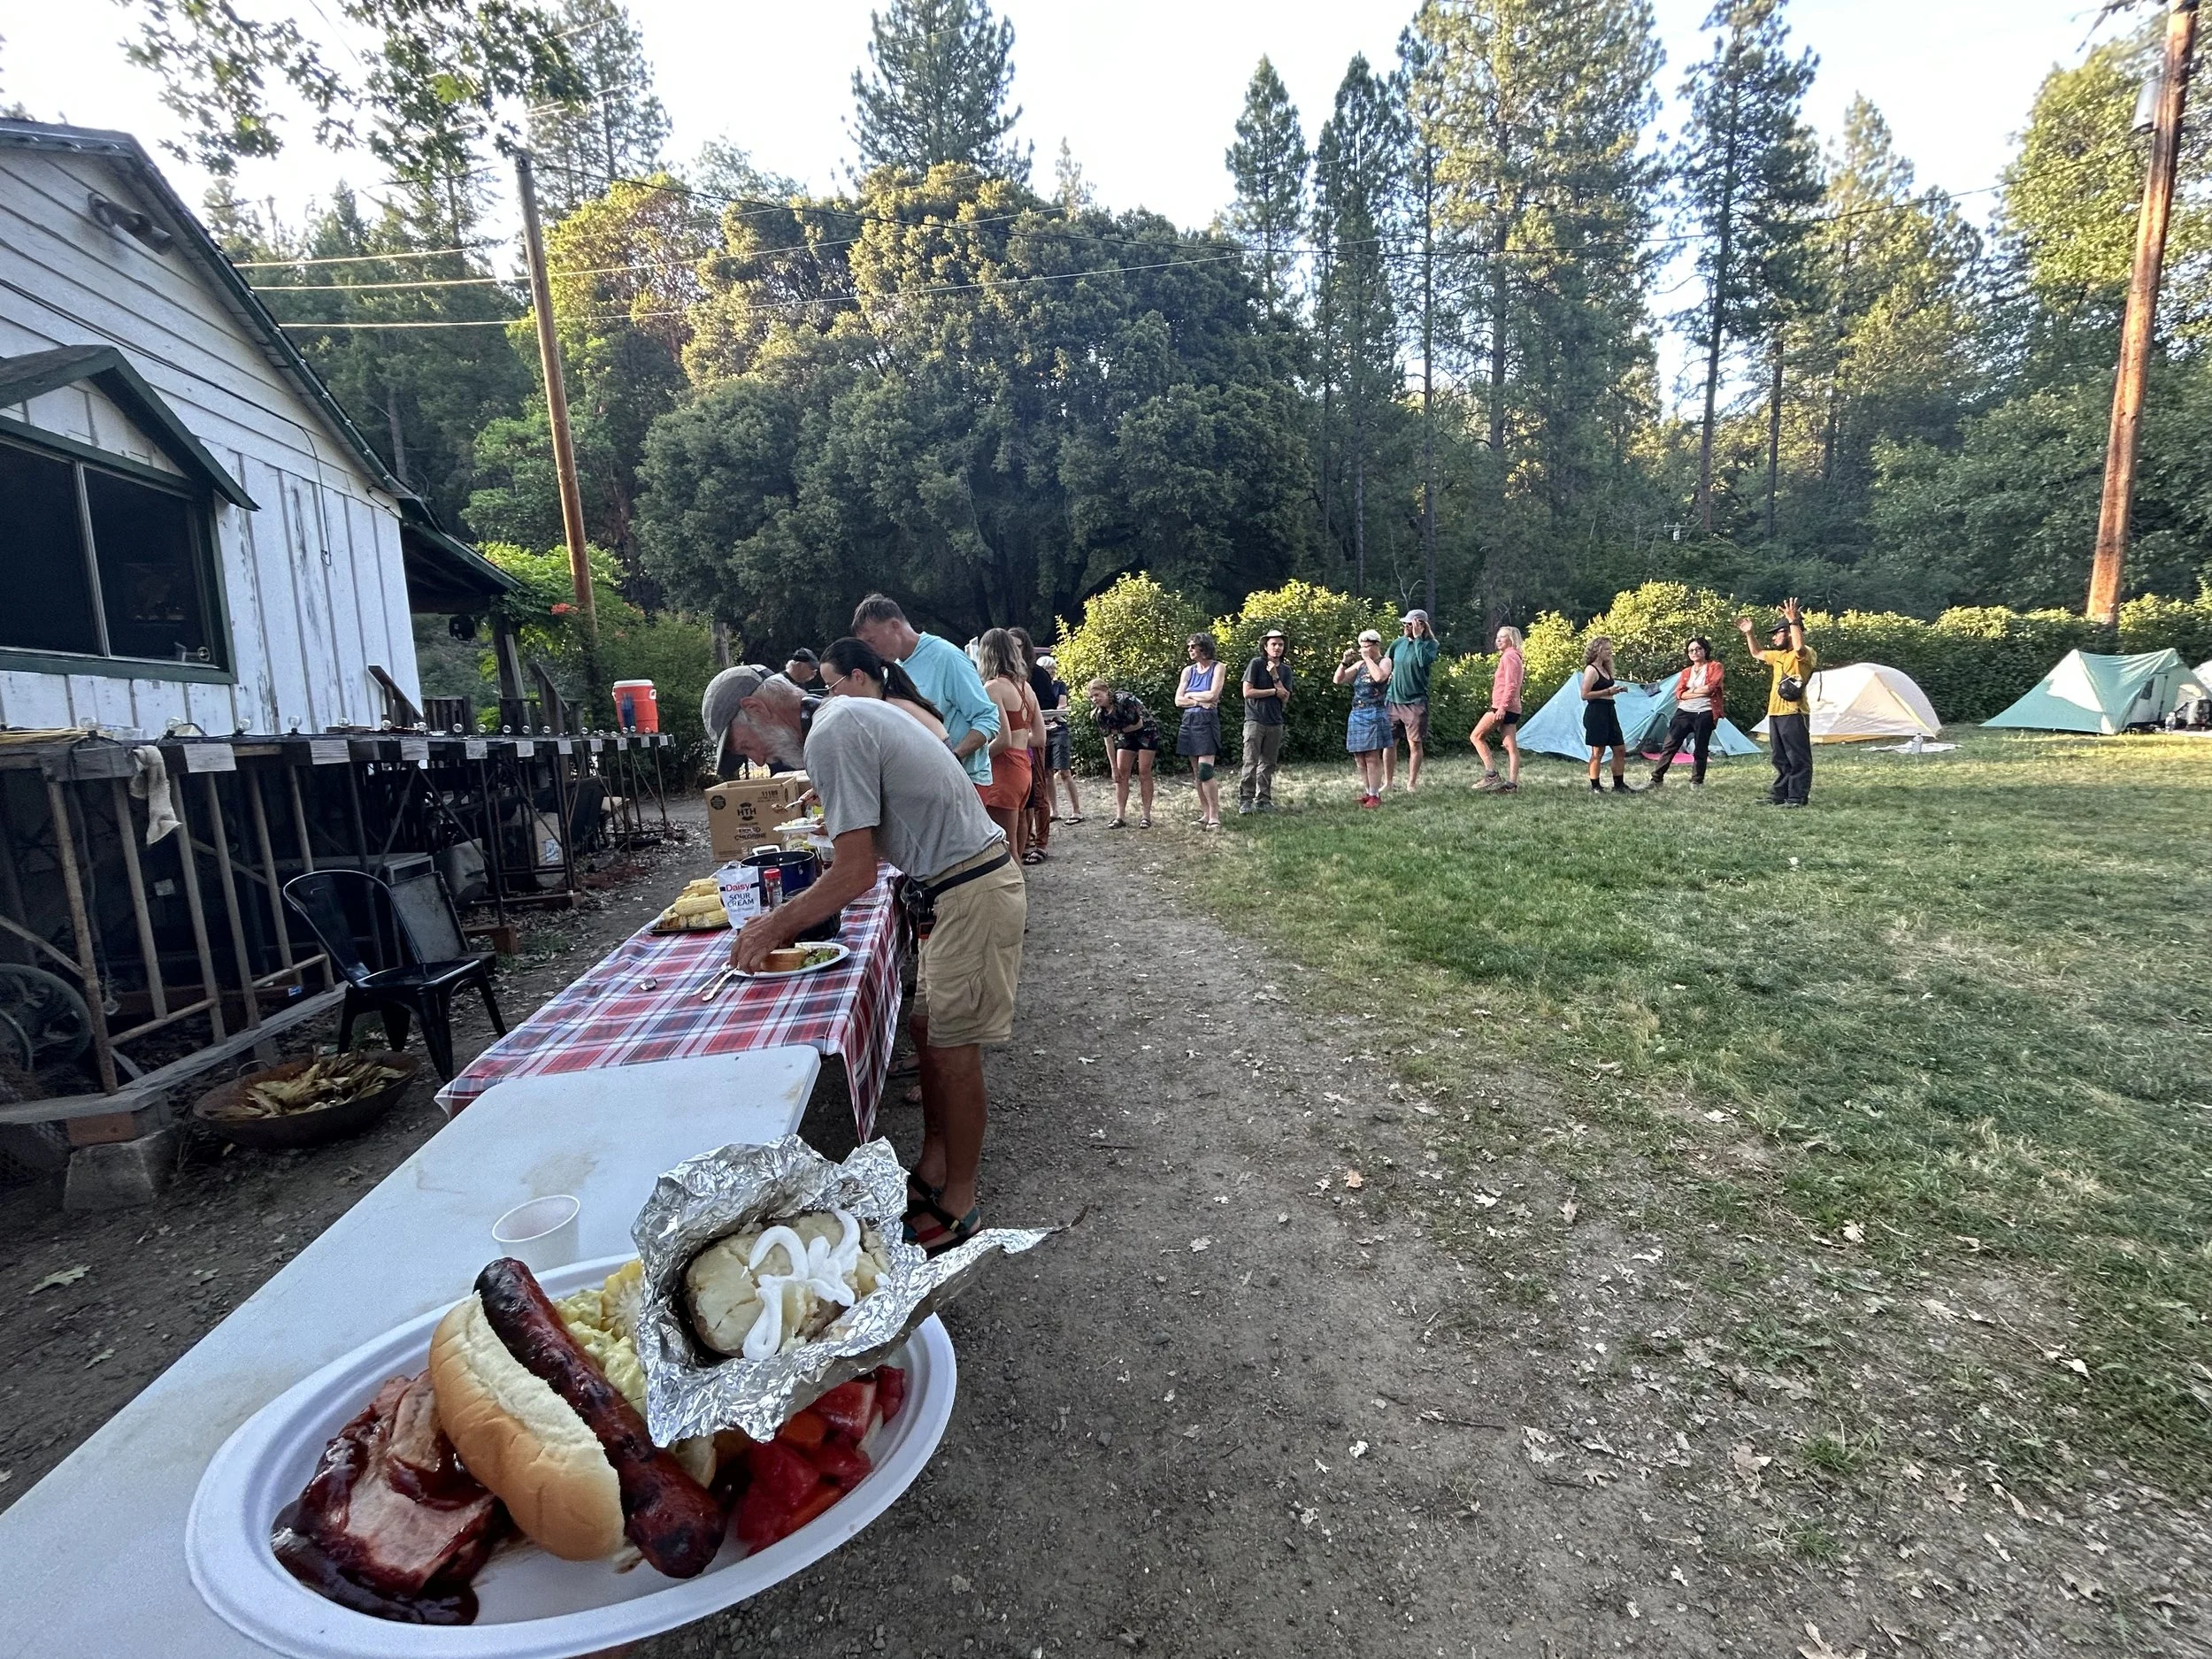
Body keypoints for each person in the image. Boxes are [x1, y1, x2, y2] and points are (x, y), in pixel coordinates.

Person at [704, 667, 1022, 1254]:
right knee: (929, 1033)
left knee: (954, 1052)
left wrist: (774, 923)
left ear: (755, 707)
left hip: (971, 889)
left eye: (739, 742)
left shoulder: (832, 731)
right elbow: (874, 835)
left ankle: (961, 1203)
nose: (748, 757)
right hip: (951, 887)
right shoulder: (840, 719)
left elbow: (857, 873)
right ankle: (933, 1169)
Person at [850, 595, 1001, 799]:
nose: (870, 650)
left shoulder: (946, 657)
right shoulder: (892, 670)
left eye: (872, 640)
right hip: (925, 785)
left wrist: (952, 757)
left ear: (895, 626)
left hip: (965, 781)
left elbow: (988, 719)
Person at [1738, 597, 1816, 806]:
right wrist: (1749, 633)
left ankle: (1797, 797)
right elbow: (1757, 653)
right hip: (1775, 713)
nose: (1773, 639)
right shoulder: (1779, 656)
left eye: (1776, 634)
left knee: (1797, 757)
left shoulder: (1805, 654)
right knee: (1780, 757)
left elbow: (1799, 648)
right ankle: (1780, 794)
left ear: (1789, 633)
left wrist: (1793, 621)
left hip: (1794, 713)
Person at [976, 628, 1043, 862]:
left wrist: (975, 756)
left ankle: (1013, 895)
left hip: (1004, 770)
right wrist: (1020, 739)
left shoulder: (993, 688)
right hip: (1024, 766)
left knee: (1003, 847)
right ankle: (1018, 890)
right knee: (1017, 838)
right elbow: (1040, 738)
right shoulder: (1027, 688)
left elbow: (1002, 739)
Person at [821, 636, 945, 739]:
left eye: (833, 686)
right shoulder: (888, 705)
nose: (832, 695)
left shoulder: (894, 713)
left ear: (858, 677)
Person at [1647, 636, 1724, 788]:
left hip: (1705, 711)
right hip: (1684, 711)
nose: (1694, 652)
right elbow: (1680, 694)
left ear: (1705, 650)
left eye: (1698, 649)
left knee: (1701, 747)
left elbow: (1713, 687)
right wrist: (1700, 691)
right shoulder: (1686, 671)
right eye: (1691, 650)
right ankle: (1656, 779)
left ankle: (1697, 781)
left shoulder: (1715, 666)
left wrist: (1693, 691)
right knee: (1670, 745)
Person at [1173, 631, 1228, 830]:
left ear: (1203, 648)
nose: (1189, 650)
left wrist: (1191, 695)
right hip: (1190, 721)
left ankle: (1215, 815)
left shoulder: (1218, 668)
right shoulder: (1188, 671)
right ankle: (1205, 813)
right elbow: (1178, 700)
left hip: (1207, 721)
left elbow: (1214, 695)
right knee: (1197, 772)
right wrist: (1197, 700)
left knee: (1206, 771)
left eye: (1193, 646)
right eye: (1189, 647)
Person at [1010, 626, 1056, 857]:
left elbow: (1049, 705)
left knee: (1038, 791)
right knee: (1023, 796)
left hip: (1034, 737)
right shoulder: (1008, 675)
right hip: (1016, 742)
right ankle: (1025, 841)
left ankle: (1041, 842)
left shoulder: (1036, 674)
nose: (1013, 651)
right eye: (1010, 646)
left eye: (1017, 646)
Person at [1087, 678, 1158, 827]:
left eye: (1097, 695)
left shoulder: (1124, 700)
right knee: (1121, 774)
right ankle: (1120, 817)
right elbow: (1108, 740)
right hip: (1126, 734)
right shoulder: (1100, 714)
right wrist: (1113, 767)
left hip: (1146, 731)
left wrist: (1117, 730)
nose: (1094, 699)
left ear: (1106, 691)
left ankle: (1146, 815)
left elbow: (1138, 724)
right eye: (1092, 697)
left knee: (1144, 772)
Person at [1383, 609, 1440, 793]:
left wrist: (1417, 639)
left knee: (1414, 743)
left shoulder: (1430, 644)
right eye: (1405, 624)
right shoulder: (1397, 643)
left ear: (1421, 625)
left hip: (1416, 702)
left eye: (1410, 624)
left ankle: (1411, 783)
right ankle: (1388, 782)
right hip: (1394, 700)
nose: (1406, 627)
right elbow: (1385, 661)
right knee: (1389, 742)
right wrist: (1386, 674)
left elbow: (1423, 661)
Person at [1238, 627, 1293, 815]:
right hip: (1255, 719)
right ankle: (1246, 800)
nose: (1277, 648)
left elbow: (1285, 697)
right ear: (1265, 646)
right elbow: (1247, 692)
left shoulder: (1285, 670)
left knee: (1268, 763)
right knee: (1250, 761)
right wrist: (1272, 691)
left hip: (1275, 721)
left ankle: (1263, 800)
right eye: (1273, 644)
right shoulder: (1256, 664)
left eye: (1280, 644)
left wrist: (1275, 676)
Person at [1336, 628, 1393, 808]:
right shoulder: (1360, 665)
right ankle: (1367, 792)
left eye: (1367, 646)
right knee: (1359, 756)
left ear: (1376, 645)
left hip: (1374, 711)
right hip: (1357, 712)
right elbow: (1338, 680)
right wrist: (1344, 663)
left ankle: (1376, 795)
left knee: (1371, 756)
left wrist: (1368, 658)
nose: (1363, 649)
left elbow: (1379, 677)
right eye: (1361, 646)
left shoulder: (1385, 661)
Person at [1471, 625, 1525, 794]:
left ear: (1512, 639)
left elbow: (1511, 685)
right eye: (1497, 637)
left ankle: (1491, 774)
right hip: (1513, 707)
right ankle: (1511, 784)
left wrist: (1502, 707)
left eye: (1503, 637)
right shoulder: (1515, 657)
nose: (1498, 640)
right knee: (1510, 746)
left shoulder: (1509, 657)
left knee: (1477, 736)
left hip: (1503, 706)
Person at [1581, 635, 1633, 795]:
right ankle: (1595, 786)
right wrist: (1607, 691)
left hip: (1610, 710)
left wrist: (1617, 690)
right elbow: (1585, 694)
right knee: (1598, 751)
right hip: (1596, 712)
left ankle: (1619, 785)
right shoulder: (1591, 669)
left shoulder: (1606, 668)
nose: (1610, 652)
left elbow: (1607, 690)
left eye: (1611, 649)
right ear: (1598, 651)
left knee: (1619, 749)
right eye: (1607, 649)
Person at [1037, 653, 1080, 824]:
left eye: (1053, 668)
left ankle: (1076, 811)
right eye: (1048, 668)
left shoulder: (1059, 685)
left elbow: (1062, 705)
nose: (1052, 671)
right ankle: (1053, 811)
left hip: (1059, 729)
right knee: (1047, 773)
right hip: (1042, 730)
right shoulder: (1035, 686)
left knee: (1064, 771)